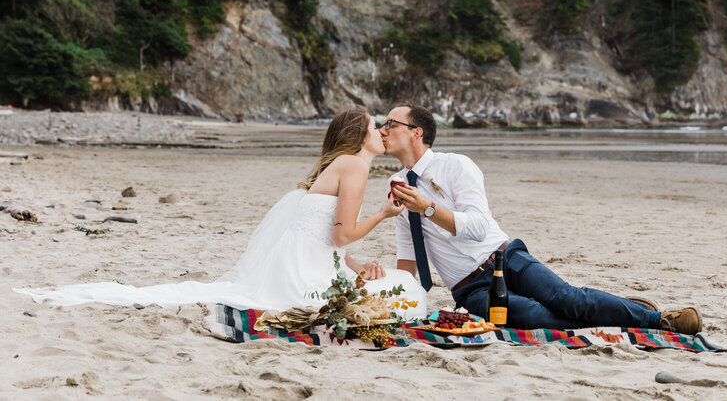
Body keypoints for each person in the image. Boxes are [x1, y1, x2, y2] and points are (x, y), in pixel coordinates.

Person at [14, 109, 427, 319]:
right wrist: (382, 215)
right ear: (359, 137)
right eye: (376, 126)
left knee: (397, 285)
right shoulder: (354, 166)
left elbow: (320, 238)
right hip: (302, 280)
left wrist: (355, 267)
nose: (382, 131)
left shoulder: (342, 166)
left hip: (302, 266)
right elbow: (339, 235)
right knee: (410, 292)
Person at [382, 104, 702, 335]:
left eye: (390, 124)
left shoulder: (456, 166)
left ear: (416, 133)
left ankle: (659, 319)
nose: (382, 130)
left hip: (503, 258)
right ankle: (622, 311)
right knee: (538, 317)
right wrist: (403, 302)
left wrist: (428, 208)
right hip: (470, 290)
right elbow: (408, 252)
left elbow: (478, 227)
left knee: (567, 298)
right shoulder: (396, 185)